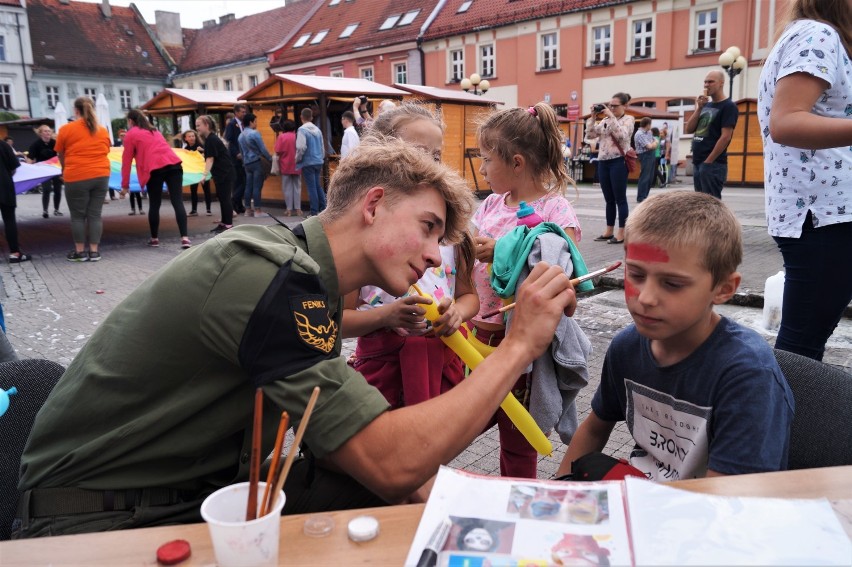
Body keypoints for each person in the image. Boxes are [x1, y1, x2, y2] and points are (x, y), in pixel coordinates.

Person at [13, 136, 577, 538]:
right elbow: (390, 460)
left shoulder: (302, 275)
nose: (435, 254)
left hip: (191, 492)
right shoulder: (270, 274)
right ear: (373, 204)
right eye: (428, 227)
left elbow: (350, 451)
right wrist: (520, 345)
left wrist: (478, 517)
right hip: (95, 521)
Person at [556, 191, 794, 482]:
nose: (646, 298)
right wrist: (556, 495)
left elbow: (729, 502)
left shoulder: (747, 376)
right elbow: (594, 427)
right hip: (646, 496)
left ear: (723, 288)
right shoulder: (626, 348)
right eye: (636, 275)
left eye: (672, 283)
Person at [343, 103, 478, 415]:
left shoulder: (453, 231)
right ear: (379, 154)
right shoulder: (363, 233)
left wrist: (456, 312)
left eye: (436, 156)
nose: (429, 167)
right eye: (417, 154)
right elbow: (339, 321)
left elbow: (468, 295)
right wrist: (386, 317)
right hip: (384, 377)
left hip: (443, 367)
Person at [472, 101, 583, 479]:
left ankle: (517, 504)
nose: (482, 169)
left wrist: (501, 249)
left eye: (487, 160)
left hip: (520, 349)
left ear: (516, 163)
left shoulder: (556, 211)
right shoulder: (489, 204)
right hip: (475, 338)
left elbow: (562, 276)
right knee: (461, 420)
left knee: (517, 439)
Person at [758, 0, 852, 361]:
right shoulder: (818, 34)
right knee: (801, 349)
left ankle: (784, 413)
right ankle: (783, 417)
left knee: (803, 342)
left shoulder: (810, 35)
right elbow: (786, 121)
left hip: (821, 211)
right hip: (823, 213)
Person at [119, 109, 190, 250]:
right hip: (174, 165)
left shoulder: (131, 134)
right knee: (177, 202)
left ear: (130, 121)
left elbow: (126, 161)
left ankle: (154, 238)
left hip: (154, 169)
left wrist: (125, 185)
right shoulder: (154, 130)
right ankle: (185, 238)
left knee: (155, 204)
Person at [56, 96, 111, 263]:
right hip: (101, 174)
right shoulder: (102, 130)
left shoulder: (66, 129)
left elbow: (60, 153)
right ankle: (94, 252)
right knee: (95, 214)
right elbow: (106, 150)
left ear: (76, 110)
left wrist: (65, 170)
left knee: (78, 216)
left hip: (76, 175)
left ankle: (80, 252)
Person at [584, 93, 633, 243]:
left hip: (618, 161)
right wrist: (593, 118)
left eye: (615, 105)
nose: (611, 108)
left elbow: (622, 136)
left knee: (620, 199)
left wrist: (611, 117)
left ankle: (622, 233)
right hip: (603, 162)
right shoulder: (605, 120)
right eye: (610, 105)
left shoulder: (628, 120)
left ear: (624, 106)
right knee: (609, 199)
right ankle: (608, 231)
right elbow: (591, 135)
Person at [685, 70, 739, 199]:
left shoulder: (728, 106)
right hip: (698, 162)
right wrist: (699, 108)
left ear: (721, 83)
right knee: (699, 205)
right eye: (705, 81)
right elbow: (689, 129)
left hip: (712, 164)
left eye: (711, 81)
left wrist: (708, 161)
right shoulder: (705, 105)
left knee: (711, 205)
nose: (706, 85)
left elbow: (725, 137)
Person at [195, 115, 234, 234]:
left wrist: (204, 175)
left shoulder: (211, 139)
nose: (197, 128)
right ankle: (224, 223)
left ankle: (228, 224)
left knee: (225, 198)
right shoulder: (210, 139)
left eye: (198, 125)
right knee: (222, 198)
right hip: (222, 173)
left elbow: (210, 159)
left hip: (224, 173)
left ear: (206, 125)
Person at [0, 135, 30, 264]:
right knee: (9, 220)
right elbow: (14, 167)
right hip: (4, 186)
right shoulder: (3, 145)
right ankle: (14, 253)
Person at [237, 112, 273, 218]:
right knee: (257, 186)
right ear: (251, 122)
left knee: (248, 186)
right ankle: (257, 210)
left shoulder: (240, 136)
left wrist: (244, 162)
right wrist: (270, 159)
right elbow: (263, 149)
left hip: (247, 163)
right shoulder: (255, 133)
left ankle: (248, 210)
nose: (256, 124)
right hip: (256, 162)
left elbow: (242, 152)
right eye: (255, 121)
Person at [27, 125, 64, 219]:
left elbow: (61, 154)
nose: (48, 133)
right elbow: (30, 157)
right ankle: (45, 210)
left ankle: (56, 209)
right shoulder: (36, 144)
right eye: (45, 131)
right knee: (46, 189)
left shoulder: (55, 143)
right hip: (43, 170)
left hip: (55, 169)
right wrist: (28, 168)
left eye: (49, 131)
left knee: (57, 190)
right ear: (40, 133)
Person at [295, 107, 326, 217]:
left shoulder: (302, 130)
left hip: (308, 162)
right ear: (312, 117)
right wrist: (321, 158)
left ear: (301, 117)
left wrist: (297, 159)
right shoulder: (318, 130)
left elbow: (301, 147)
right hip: (318, 161)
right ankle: (324, 208)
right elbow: (322, 147)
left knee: (311, 187)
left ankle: (314, 212)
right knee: (318, 186)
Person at [273, 119, 301, 217]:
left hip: (285, 165)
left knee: (287, 187)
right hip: (297, 165)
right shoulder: (297, 136)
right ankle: (298, 209)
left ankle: (289, 209)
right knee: (297, 187)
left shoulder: (281, 137)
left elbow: (277, 151)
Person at [223, 103, 248, 215]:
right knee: (239, 181)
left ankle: (238, 204)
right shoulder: (232, 124)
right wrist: (236, 153)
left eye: (245, 112)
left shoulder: (244, 124)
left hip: (245, 156)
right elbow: (229, 141)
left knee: (243, 181)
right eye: (242, 112)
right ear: (236, 113)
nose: (244, 114)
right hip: (236, 158)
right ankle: (234, 201)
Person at [181, 129, 211, 217]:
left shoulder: (200, 145)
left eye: (193, 136)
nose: (191, 138)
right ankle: (194, 210)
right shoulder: (186, 149)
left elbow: (209, 156)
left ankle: (208, 209)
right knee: (193, 190)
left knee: (206, 189)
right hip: (192, 173)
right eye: (189, 136)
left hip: (202, 171)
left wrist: (202, 150)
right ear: (185, 138)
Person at [633, 117, 657, 203]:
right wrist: (653, 144)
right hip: (645, 155)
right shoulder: (640, 134)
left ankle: (645, 196)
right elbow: (649, 146)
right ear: (647, 124)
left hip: (651, 154)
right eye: (650, 124)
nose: (651, 126)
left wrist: (653, 144)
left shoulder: (649, 132)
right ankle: (641, 197)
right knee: (645, 176)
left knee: (650, 177)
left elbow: (655, 142)